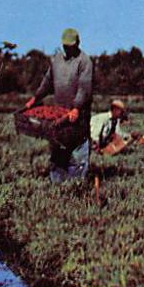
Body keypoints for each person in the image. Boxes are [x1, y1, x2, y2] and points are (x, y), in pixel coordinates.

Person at [25, 28, 94, 183]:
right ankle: (58, 187)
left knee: (77, 151)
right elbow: (47, 82)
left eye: (71, 46)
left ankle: (76, 187)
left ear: (78, 44)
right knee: (59, 148)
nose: (68, 49)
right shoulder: (56, 60)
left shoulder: (84, 61)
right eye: (65, 46)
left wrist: (76, 107)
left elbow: (84, 88)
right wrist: (35, 98)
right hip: (59, 114)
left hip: (78, 117)